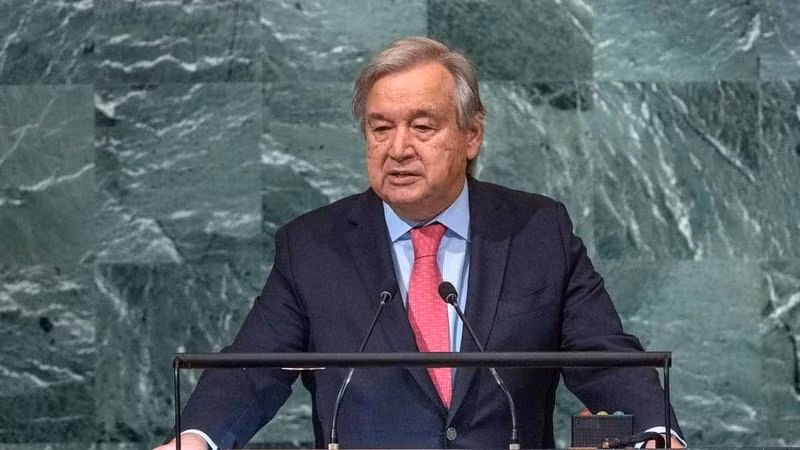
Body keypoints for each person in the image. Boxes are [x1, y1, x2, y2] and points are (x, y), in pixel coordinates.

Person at [155, 36, 684, 450]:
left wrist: (656, 433)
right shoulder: (312, 247)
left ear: (471, 135)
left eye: (422, 126)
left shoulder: (536, 231)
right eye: (380, 128)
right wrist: (196, 437)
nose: (398, 148)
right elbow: (254, 366)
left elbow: (604, 356)